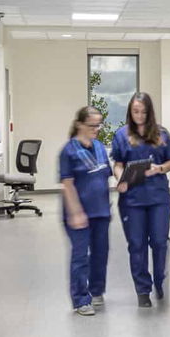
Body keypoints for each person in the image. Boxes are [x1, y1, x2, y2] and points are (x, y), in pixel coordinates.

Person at [110, 91, 170, 308]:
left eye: (143, 112)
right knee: (137, 245)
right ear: (130, 112)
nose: (139, 115)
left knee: (159, 241)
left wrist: (159, 168)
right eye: (135, 111)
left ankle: (160, 281)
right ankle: (142, 289)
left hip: (158, 197)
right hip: (132, 200)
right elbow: (118, 163)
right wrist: (120, 178)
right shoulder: (122, 135)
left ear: (150, 112)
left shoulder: (161, 133)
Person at [59, 106, 111, 316]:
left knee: (101, 254)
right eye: (92, 125)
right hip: (78, 214)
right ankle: (81, 299)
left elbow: (105, 175)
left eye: (99, 124)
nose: (96, 129)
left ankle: (96, 290)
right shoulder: (69, 151)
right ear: (80, 124)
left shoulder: (99, 147)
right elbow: (67, 184)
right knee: (81, 256)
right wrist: (76, 212)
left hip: (101, 211)